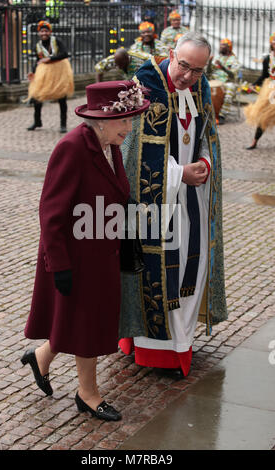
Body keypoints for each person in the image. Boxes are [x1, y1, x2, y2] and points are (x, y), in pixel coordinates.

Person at [21, 80, 150, 422]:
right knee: (87, 324)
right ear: (102, 119)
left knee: (79, 320)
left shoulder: (111, 146)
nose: (129, 126)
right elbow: (51, 212)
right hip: (75, 256)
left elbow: (116, 193)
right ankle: (88, 395)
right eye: (124, 119)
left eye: (131, 119)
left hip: (101, 251)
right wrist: (59, 265)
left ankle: (42, 357)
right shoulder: (72, 147)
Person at [118, 32, 227, 379]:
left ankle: (180, 345)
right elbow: (130, 155)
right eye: (183, 66)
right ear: (170, 54)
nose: (188, 77)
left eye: (197, 70)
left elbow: (208, 137)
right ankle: (150, 345)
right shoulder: (143, 85)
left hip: (191, 200)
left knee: (187, 270)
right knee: (153, 268)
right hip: (154, 204)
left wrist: (206, 166)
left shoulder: (201, 87)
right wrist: (180, 173)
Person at [27, 20, 74, 133]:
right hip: (45, 72)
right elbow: (39, 61)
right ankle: (37, 121)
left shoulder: (56, 41)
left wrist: (50, 59)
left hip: (59, 71)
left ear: (50, 32)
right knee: (37, 95)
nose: (44, 33)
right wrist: (33, 73)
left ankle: (63, 124)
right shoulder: (37, 46)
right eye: (42, 31)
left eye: (46, 31)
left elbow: (64, 54)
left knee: (62, 98)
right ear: (39, 33)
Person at [244, 33, 275, 150]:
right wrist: (254, 83)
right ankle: (254, 141)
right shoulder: (268, 59)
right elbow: (264, 75)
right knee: (264, 115)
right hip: (270, 89)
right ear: (271, 44)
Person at [206, 38, 241, 124]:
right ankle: (205, 113)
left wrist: (222, 67)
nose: (221, 47)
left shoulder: (234, 60)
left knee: (230, 90)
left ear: (229, 48)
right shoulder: (217, 57)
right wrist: (210, 62)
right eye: (220, 45)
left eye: (223, 45)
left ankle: (222, 115)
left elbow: (233, 75)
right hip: (215, 81)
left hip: (227, 82)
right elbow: (209, 72)